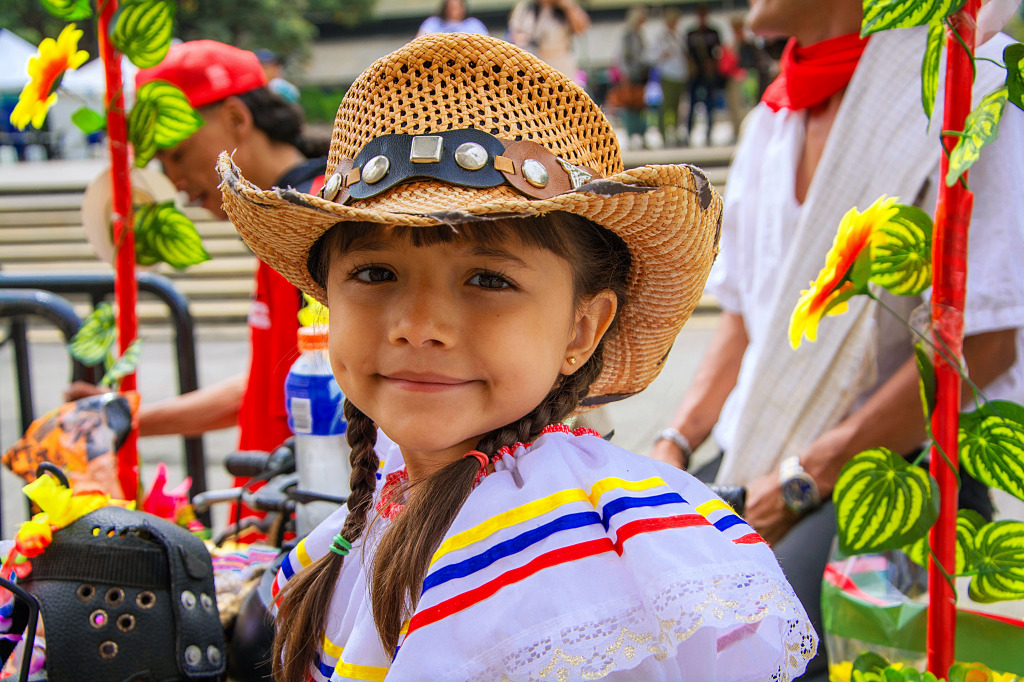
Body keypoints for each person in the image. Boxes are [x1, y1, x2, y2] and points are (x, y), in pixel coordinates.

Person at [217, 33, 817, 681]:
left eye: (488, 281)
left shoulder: (584, 566)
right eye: (375, 273)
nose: (419, 326)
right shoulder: (377, 509)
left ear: (582, 329)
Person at [652, 0, 1024, 677]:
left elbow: (986, 342)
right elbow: (741, 318)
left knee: (756, 644)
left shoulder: (968, 80)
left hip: (902, 461)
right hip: (759, 451)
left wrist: (803, 480)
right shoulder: (772, 117)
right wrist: (672, 447)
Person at [67, 40, 328, 460]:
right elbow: (273, 385)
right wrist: (126, 418)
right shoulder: (281, 219)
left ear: (236, 117)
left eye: (178, 155)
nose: (176, 183)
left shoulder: (314, 222)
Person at [508, 0, 590, 81]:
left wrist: (567, 5)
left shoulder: (565, 9)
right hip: (533, 65)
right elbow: (514, 34)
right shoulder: (525, 8)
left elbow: (581, 27)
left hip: (560, 65)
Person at [685, 3, 722, 147]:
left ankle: (709, 133)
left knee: (710, 105)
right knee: (692, 104)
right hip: (695, 74)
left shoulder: (713, 32)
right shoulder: (691, 33)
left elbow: (719, 51)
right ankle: (688, 133)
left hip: (709, 74)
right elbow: (687, 53)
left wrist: (712, 64)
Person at [617, 5, 650, 150]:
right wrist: (626, 74)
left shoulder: (639, 35)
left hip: (640, 75)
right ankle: (631, 136)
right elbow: (622, 57)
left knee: (641, 107)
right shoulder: (627, 36)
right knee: (630, 107)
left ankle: (642, 135)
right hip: (630, 75)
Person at [655, 7, 689, 147]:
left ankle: (674, 132)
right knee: (666, 106)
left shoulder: (679, 36)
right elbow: (651, 56)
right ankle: (663, 134)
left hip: (680, 75)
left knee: (677, 107)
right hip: (668, 74)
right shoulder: (661, 37)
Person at [417, 0, 488, 36]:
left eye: (457, 6)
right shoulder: (433, 22)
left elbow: (488, 44)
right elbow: (418, 42)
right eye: (451, 6)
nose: (454, 10)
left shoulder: (473, 24)